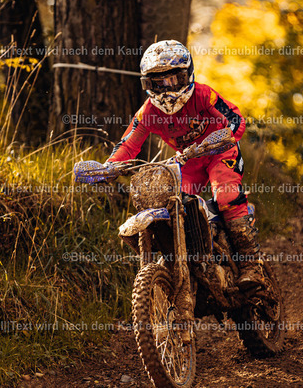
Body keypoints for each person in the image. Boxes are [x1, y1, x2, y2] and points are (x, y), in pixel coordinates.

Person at [106, 39, 263, 288]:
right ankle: (192, 265)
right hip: (188, 162)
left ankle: (251, 266)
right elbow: (128, 144)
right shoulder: (148, 112)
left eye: (174, 79)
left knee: (225, 195)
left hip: (219, 152)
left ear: (187, 75)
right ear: (148, 84)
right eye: (158, 82)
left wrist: (225, 135)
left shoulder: (203, 95)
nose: (167, 88)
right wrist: (108, 167)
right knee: (174, 207)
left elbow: (235, 119)